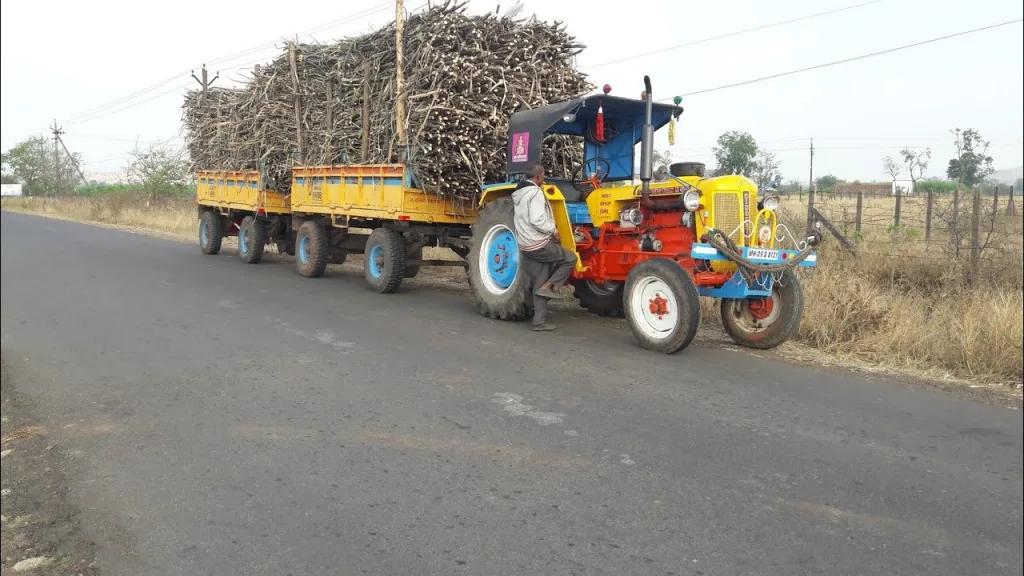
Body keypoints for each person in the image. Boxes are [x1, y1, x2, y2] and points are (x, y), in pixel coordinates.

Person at [511, 161, 578, 332]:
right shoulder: (535, 193)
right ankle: (552, 285)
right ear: (538, 176)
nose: (544, 178)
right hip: (538, 244)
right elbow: (537, 219)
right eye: (543, 175)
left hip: (525, 245)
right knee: (570, 258)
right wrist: (553, 230)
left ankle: (538, 322)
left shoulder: (519, 193)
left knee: (540, 280)